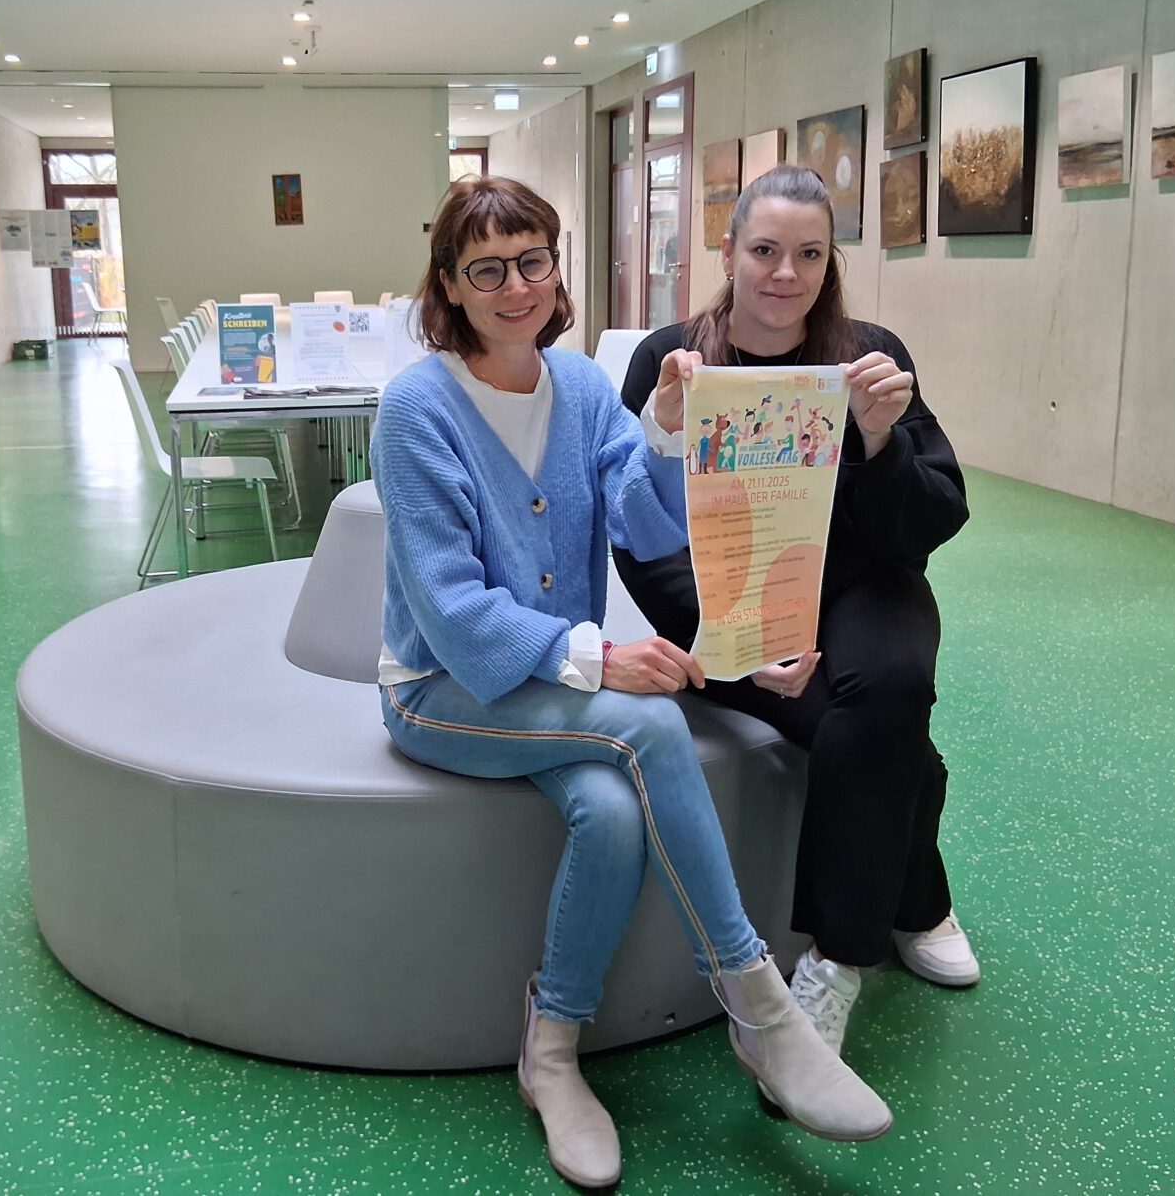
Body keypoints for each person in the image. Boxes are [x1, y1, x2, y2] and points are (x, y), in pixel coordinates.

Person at [371, 176, 892, 1191]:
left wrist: (660, 428)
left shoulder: (573, 386)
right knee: (647, 731)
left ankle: (551, 1053)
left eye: (533, 260)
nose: (516, 284)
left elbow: (650, 523)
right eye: (487, 268)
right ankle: (761, 1011)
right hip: (439, 690)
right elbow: (449, 609)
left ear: (555, 269)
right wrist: (600, 660)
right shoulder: (414, 409)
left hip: (537, 683)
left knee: (609, 816)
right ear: (450, 284)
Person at [614, 163, 974, 1061]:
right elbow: (639, 532)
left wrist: (883, 438)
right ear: (728, 251)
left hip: (863, 582)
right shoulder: (672, 358)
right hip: (732, 603)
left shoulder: (870, 352)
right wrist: (734, 636)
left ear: (830, 262)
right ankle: (919, 897)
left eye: (808, 254)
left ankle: (837, 962)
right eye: (765, 250)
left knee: (890, 686)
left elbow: (934, 517)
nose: (785, 274)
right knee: (891, 749)